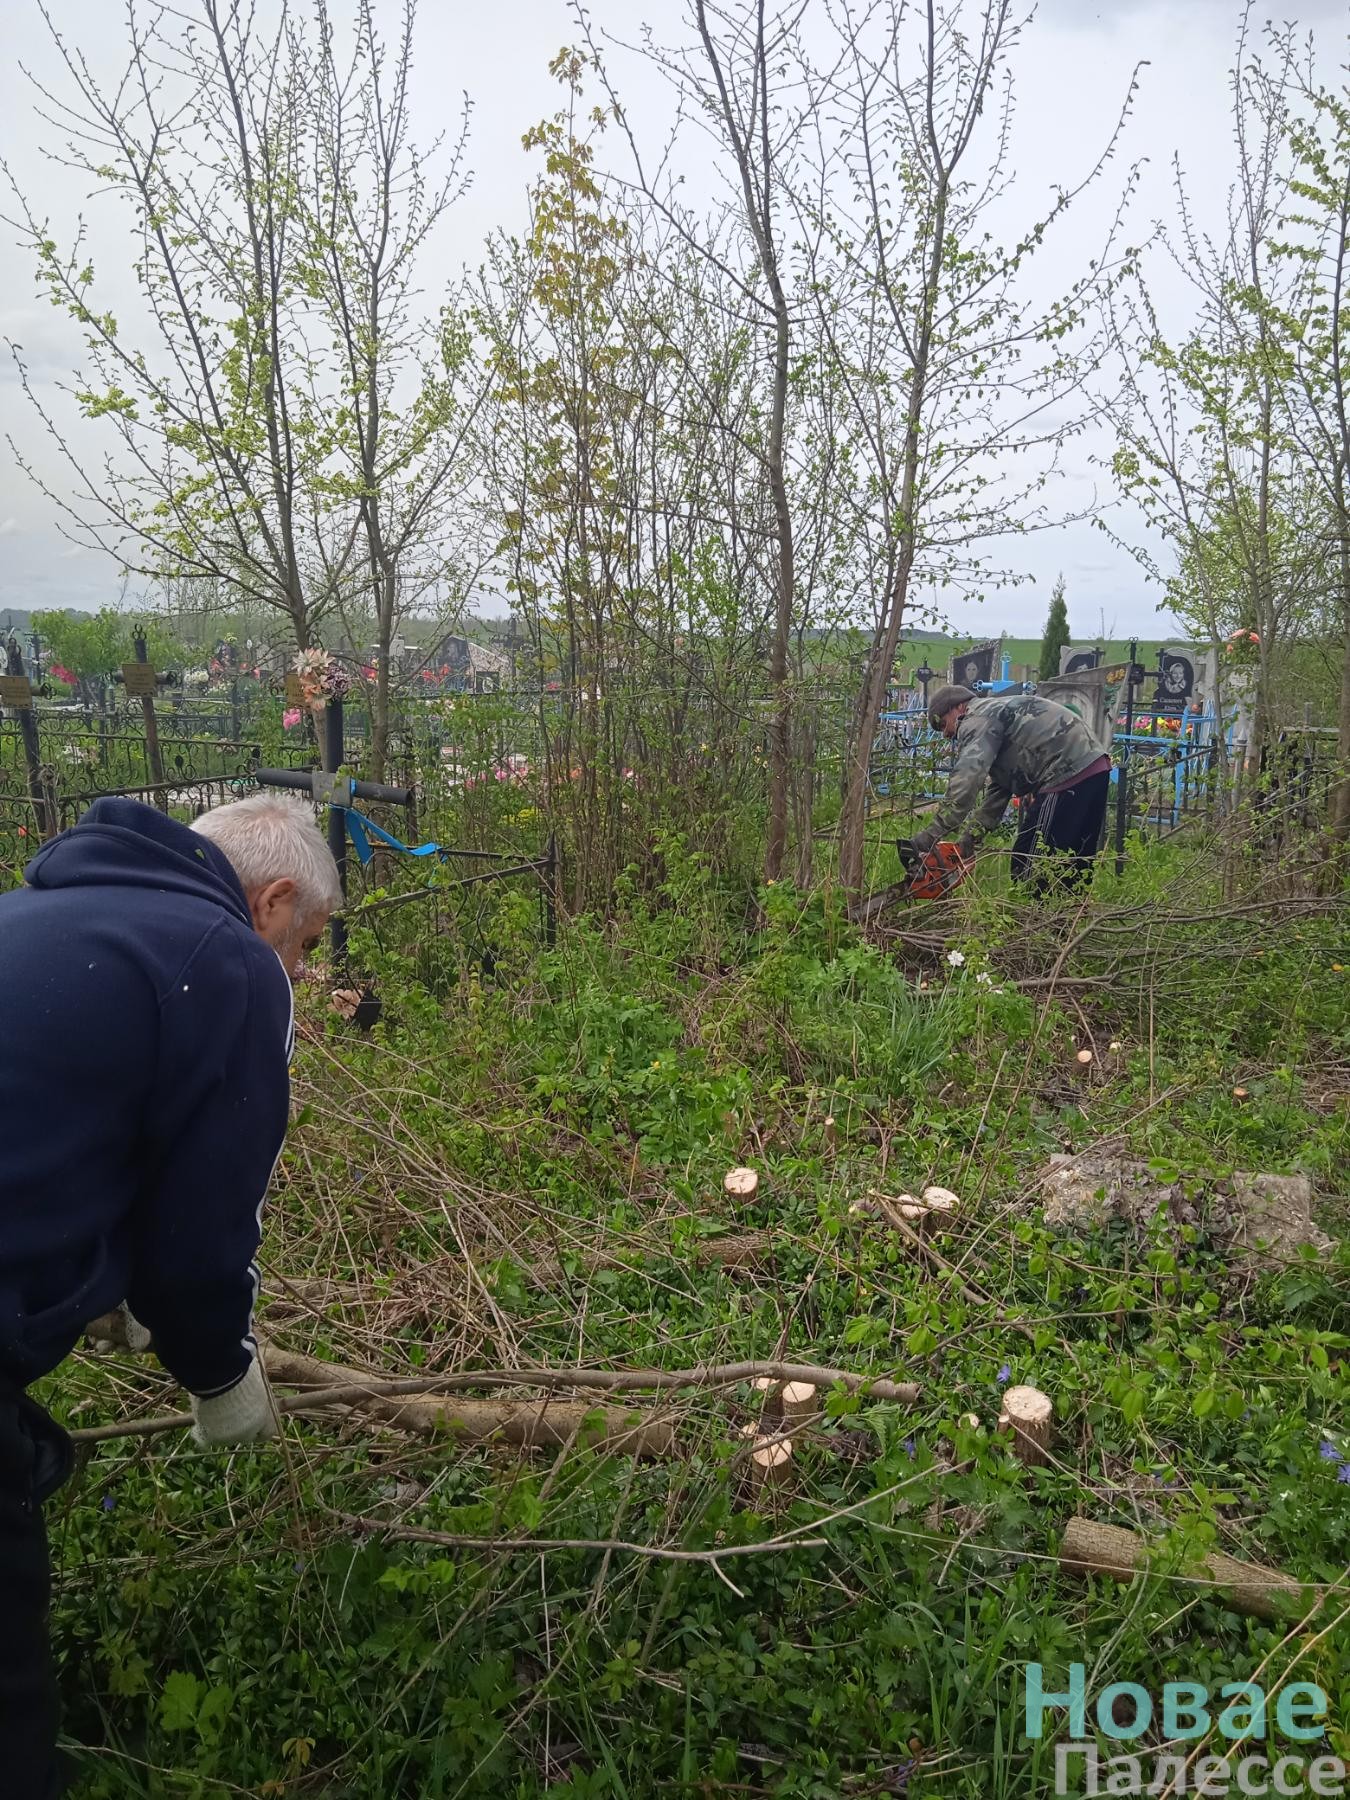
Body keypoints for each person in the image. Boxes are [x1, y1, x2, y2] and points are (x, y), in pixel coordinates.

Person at [0, 792, 341, 1797]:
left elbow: (52, 1133)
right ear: (272, 902)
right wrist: (221, 1376)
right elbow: (204, 1232)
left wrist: (94, 1277)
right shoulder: (227, 960)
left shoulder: (33, 913)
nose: (300, 971)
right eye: (307, 945)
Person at [912, 684, 1111, 893]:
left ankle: (1035, 911)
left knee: (1028, 861)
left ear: (959, 707)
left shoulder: (977, 719)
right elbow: (1001, 787)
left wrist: (931, 835)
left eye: (943, 724)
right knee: (1074, 861)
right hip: (1093, 765)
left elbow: (967, 779)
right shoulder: (995, 715)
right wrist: (972, 835)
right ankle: (1069, 910)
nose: (946, 734)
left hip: (1067, 771)